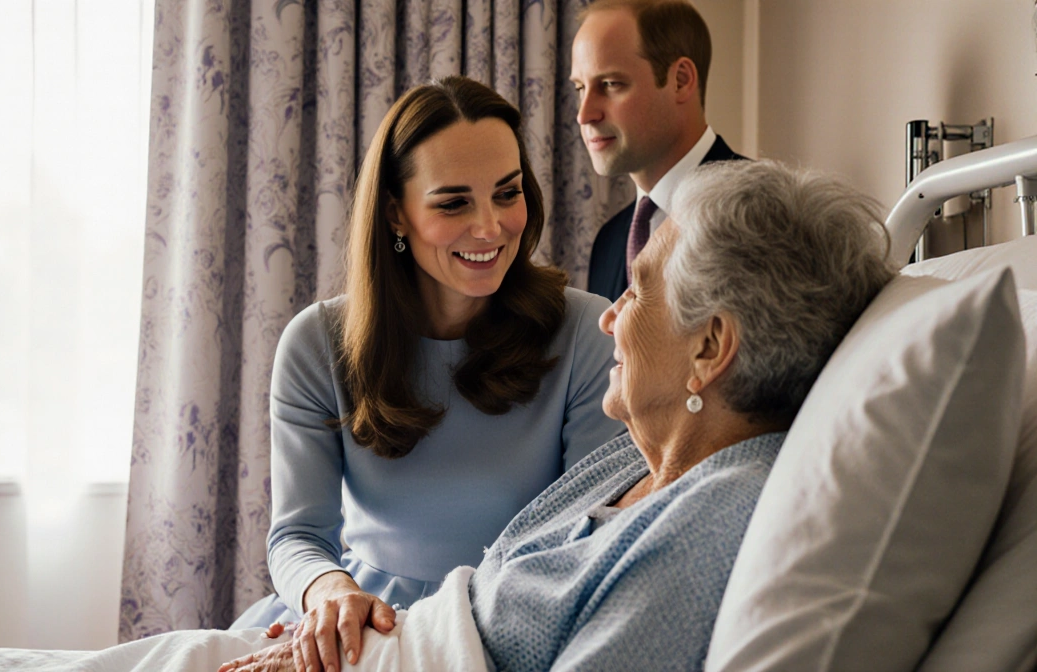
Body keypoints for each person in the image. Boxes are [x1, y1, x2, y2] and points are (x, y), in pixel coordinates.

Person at [221, 160, 898, 672]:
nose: (609, 317)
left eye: (636, 293)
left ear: (710, 347)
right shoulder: (641, 460)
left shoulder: (712, 526)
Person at [230, 75, 626, 666]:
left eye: (507, 192)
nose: (491, 227)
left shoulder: (587, 336)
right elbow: (298, 538)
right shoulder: (316, 345)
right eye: (453, 202)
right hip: (362, 620)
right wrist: (329, 592)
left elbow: (581, 548)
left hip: (511, 622)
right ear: (395, 213)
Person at [572, 0, 747, 302]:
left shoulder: (761, 214)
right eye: (580, 89)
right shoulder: (608, 242)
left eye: (611, 84)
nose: (584, 114)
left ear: (680, 81)